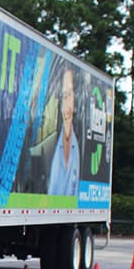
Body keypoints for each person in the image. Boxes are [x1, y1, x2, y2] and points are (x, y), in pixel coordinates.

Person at [47, 65, 80, 196]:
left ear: (75, 99)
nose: (67, 106)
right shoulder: (49, 146)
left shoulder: (78, 149)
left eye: (69, 95)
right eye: (63, 96)